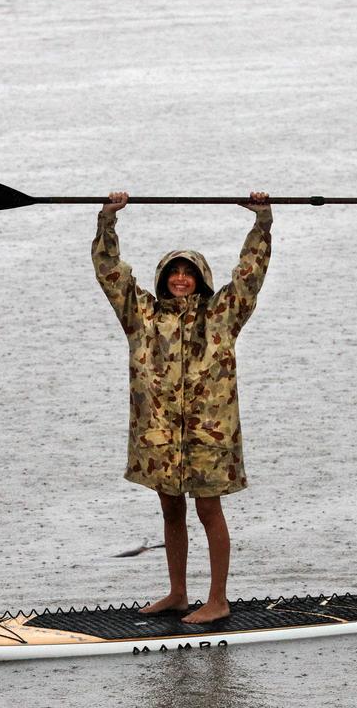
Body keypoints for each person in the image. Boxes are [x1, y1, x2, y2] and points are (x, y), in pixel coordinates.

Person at [92, 190, 272, 623]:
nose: (179, 278)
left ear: (200, 278)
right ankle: (177, 594)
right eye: (172, 271)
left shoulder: (223, 313)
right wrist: (107, 221)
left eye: (187, 272)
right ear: (162, 278)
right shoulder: (141, 315)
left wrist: (261, 223)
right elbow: (110, 272)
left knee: (209, 509)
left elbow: (249, 275)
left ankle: (218, 600)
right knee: (170, 508)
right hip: (158, 435)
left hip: (209, 435)